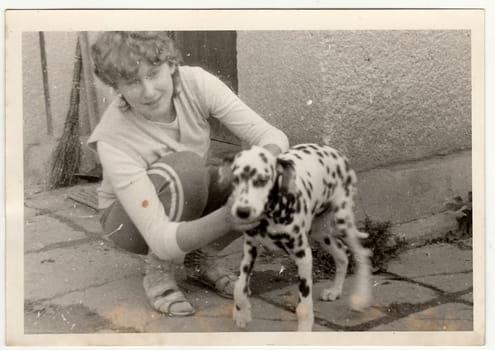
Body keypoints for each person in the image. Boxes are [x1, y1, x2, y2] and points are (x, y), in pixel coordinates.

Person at [87, 31, 289, 316]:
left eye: (154, 73)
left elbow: (272, 136)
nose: (149, 91)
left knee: (277, 172)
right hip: (129, 222)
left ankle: (201, 257)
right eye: (132, 81)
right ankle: (158, 275)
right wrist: (227, 217)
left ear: (171, 64)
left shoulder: (196, 83)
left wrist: (261, 165)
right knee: (188, 167)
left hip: (188, 193)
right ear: (115, 85)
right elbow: (157, 236)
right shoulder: (112, 137)